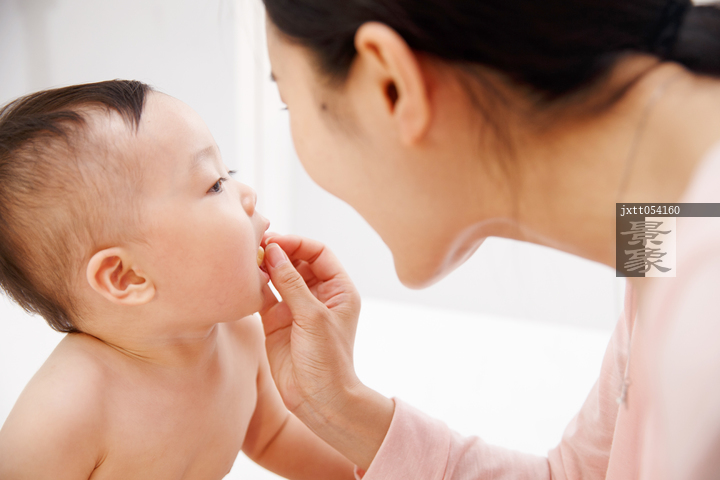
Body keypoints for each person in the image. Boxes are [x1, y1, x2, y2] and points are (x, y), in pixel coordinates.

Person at [255, 0, 720, 478]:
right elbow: (587, 473)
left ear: (390, 86)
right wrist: (338, 406)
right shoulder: (660, 224)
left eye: (289, 101)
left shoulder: (707, 305)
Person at [0, 80, 355, 480]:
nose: (247, 194)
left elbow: (273, 436)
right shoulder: (63, 415)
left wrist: (372, 466)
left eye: (228, 173)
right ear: (127, 276)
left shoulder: (241, 339)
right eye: (215, 184)